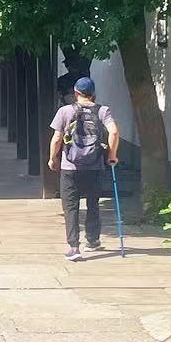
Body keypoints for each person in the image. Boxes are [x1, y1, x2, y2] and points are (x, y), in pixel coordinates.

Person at [48, 76, 119, 260]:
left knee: (70, 206)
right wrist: (111, 155)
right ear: (93, 93)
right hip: (95, 166)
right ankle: (93, 241)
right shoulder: (103, 111)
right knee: (93, 204)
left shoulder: (65, 111)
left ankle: (74, 247)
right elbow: (113, 132)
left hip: (70, 167)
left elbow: (57, 138)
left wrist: (52, 158)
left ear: (76, 93)